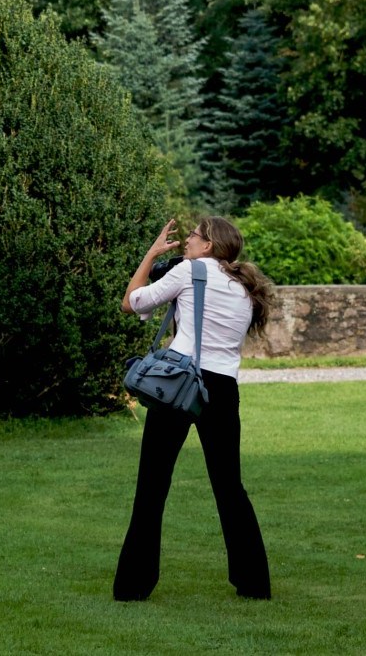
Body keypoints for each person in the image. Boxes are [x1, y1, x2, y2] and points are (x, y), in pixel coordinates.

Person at [114, 217, 273, 601]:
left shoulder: (189, 270)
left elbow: (131, 302)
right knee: (229, 487)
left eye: (194, 236)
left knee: (153, 485)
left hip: (179, 385)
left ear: (208, 245)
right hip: (223, 389)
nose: (187, 240)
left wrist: (152, 254)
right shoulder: (244, 287)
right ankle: (254, 584)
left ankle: (135, 586)